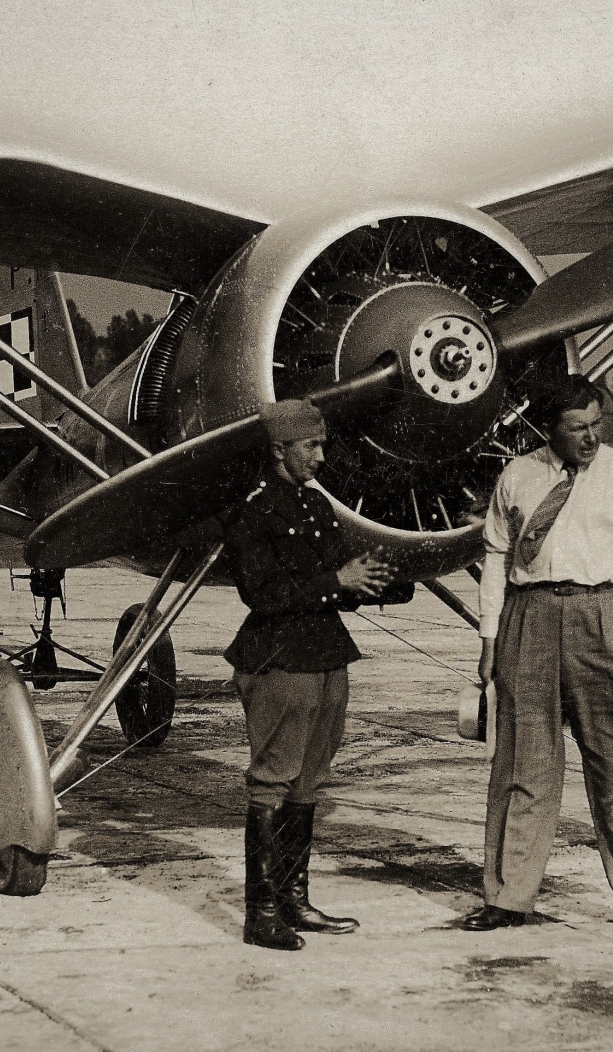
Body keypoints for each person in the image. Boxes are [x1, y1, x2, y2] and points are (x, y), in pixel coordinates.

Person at [466, 374, 613, 936]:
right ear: (548, 428)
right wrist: (489, 639)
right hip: (528, 617)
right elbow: (495, 559)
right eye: (577, 427)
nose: (591, 438)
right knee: (522, 765)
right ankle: (508, 898)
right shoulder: (517, 475)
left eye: (597, 425)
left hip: (604, 614)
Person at [220, 398, 395, 951]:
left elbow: (342, 579)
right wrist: (337, 581)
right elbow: (262, 593)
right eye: (310, 446)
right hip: (279, 659)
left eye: (323, 444)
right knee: (272, 780)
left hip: (325, 656)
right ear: (279, 450)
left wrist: (378, 579)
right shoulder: (252, 510)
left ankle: (294, 900)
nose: (321, 456)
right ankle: (261, 912)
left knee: (309, 780)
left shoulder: (316, 505)